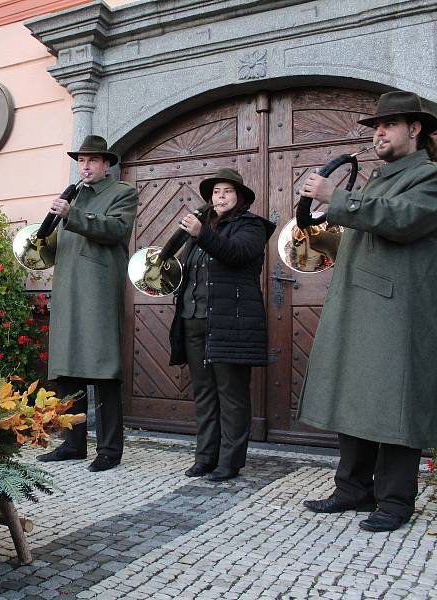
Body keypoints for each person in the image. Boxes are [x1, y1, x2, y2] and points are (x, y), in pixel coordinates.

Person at [297, 90, 437, 532]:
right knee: (355, 395)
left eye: (388, 124)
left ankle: (396, 500)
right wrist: (326, 216)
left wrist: (338, 198)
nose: (378, 132)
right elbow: (366, 225)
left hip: (397, 309)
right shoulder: (379, 178)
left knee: (396, 403)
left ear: (414, 129)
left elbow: (401, 219)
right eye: (376, 126)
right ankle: (353, 488)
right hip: (360, 302)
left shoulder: (429, 177)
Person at [36, 135, 138, 472]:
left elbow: (116, 229)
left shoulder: (122, 193)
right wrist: (43, 240)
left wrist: (73, 214)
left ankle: (109, 450)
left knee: (104, 371)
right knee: (68, 373)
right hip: (66, 291)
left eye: (93, 160)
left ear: (107, 164)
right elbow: (58, 246)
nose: (85, 166)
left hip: (98, 292)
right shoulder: (73, 195)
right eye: (81, 160)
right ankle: (73, 443)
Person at [169, 169, 275, 482]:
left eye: (227, 191)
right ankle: (205, 457)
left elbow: (237, 254)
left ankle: (229, 462)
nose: (220, 197)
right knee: (204, 393)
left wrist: (202, 233)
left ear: (240, 197)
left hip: (231, 323)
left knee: (232, 395)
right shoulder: (201, 231)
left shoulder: (251, 226)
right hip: (194, 320)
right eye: (216, 192)